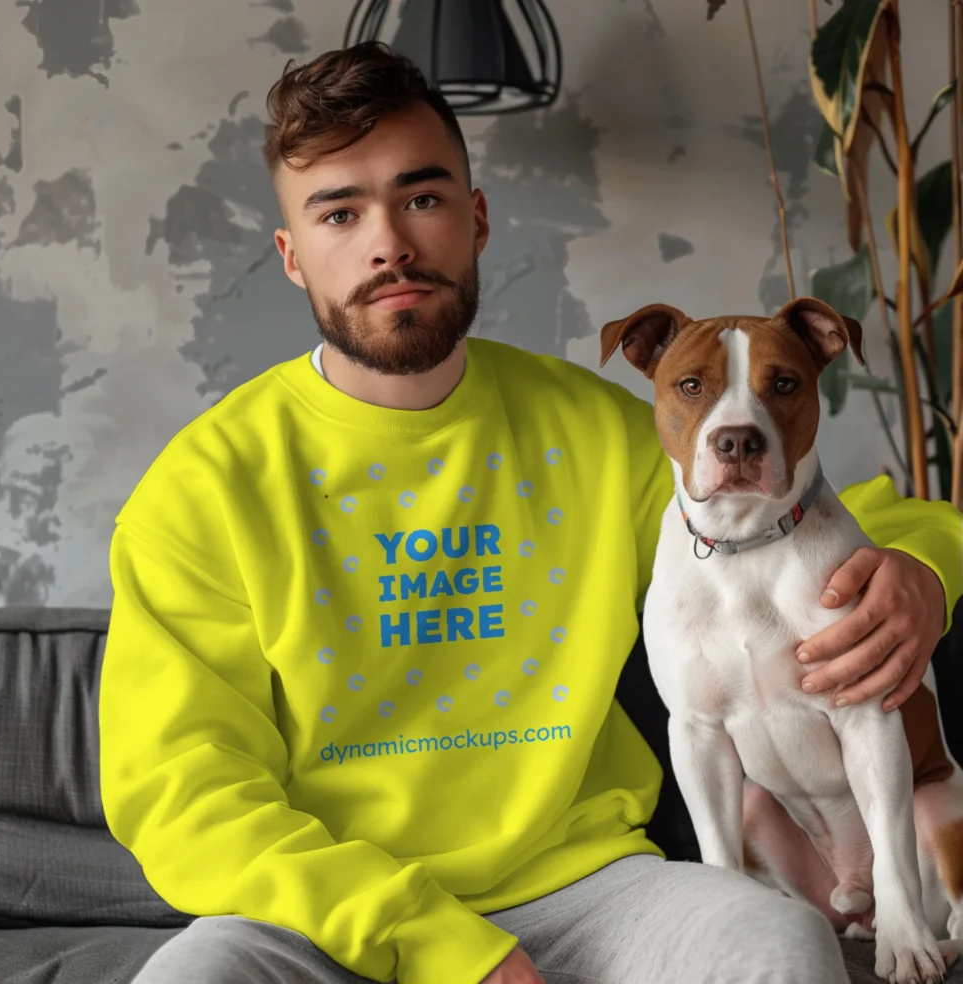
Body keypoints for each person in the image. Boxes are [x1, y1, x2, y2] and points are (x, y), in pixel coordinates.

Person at [99, 41, 961, 984]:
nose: (388, 242)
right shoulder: (203, 486)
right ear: (293, 257)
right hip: (321, 916)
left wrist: (919, 574)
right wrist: (436, 943)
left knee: (778, 948)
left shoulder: (597, 430)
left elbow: (820, 514)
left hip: (591, 891)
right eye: (339, 212)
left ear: (474, 221)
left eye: (421, 197)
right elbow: (185, 795)